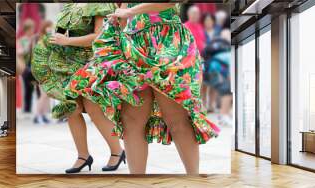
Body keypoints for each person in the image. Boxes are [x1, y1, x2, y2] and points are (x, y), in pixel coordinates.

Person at [66, 3, 219, 175]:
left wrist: (131, 11)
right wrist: (120, 19)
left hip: (166, 39)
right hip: (132, 43)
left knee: (176, 119)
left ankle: (194, 181)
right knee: (131, 121)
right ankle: (137, 186)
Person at [31, 3, 125, 173]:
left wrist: (67, 40)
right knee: (71, 109)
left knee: (94, 108)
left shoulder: (100, 4)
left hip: (92, 61)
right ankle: (83, 156)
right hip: (68, 63)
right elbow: (59, 35)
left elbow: (99, 36)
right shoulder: (68, 6)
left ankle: (117, 151)